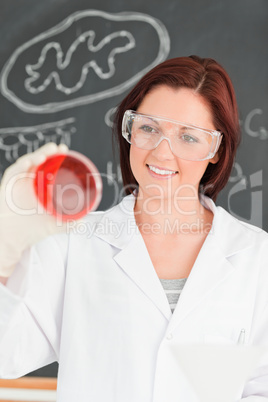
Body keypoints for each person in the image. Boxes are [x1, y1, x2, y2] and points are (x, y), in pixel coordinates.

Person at [0, 56, 267, 401]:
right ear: (130, 131)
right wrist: (5, 253)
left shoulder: (256, 258)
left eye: (188, 137)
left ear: (216, 150)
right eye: (149, 128)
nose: (162, 152)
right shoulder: (72, 246)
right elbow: (6, 352)